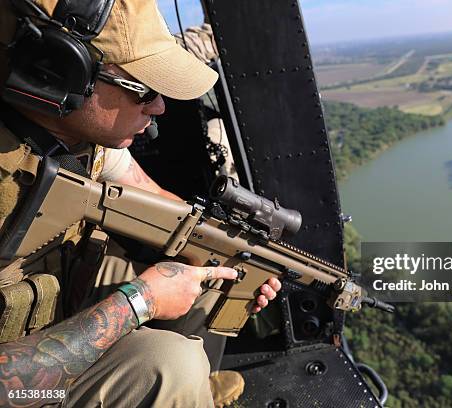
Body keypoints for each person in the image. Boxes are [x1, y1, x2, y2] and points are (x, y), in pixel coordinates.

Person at [0, 0, 280, 407]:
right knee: (169, 365)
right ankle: (174, 389)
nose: (159, 107)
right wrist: (139, 301)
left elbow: (156, 201)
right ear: (57, 70)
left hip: (50, 293)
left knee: (212, 274)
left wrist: (232, 252)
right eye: (143, 90)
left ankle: (192, 393)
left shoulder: (72, 133)